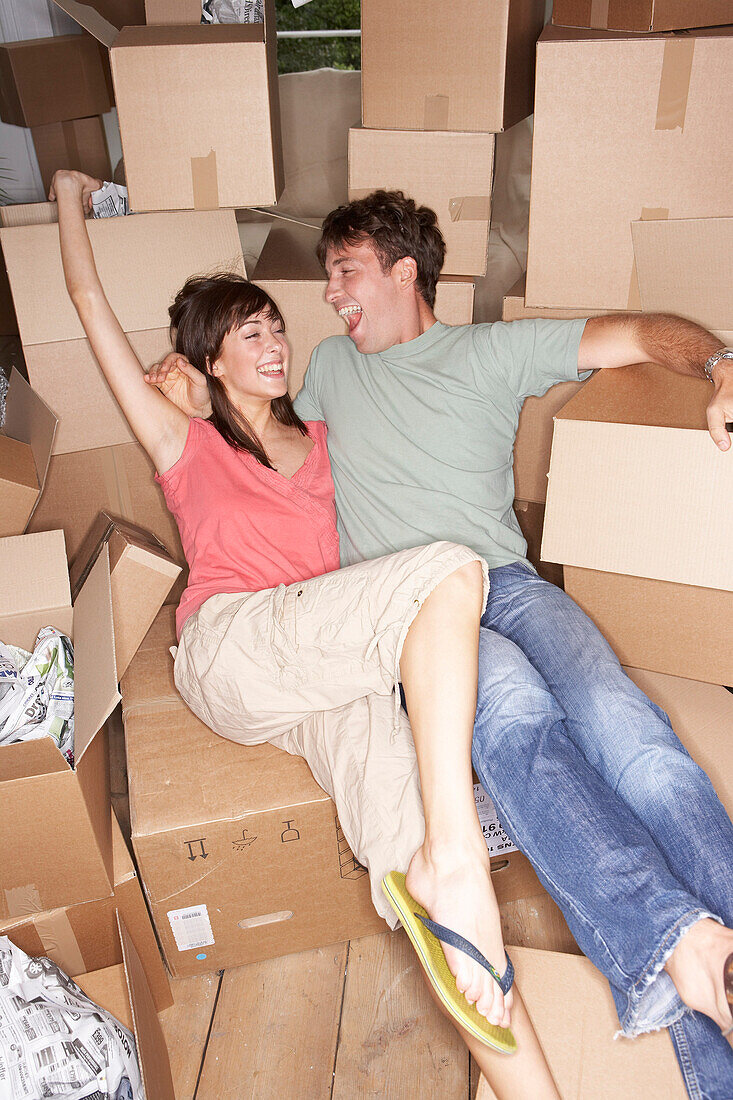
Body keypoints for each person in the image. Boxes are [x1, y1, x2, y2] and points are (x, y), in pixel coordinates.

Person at [151, 190, 733, 1098]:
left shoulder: (490, 351)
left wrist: (721, 363)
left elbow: (638, 333)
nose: (331, 298)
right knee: (517, 729)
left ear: (402, 271)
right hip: (417, 621)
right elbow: (243, 443)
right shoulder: (324, 376)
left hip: (509, 584)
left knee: (630, 732)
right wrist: (193, 393)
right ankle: (678, 943)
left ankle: (720, 956)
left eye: (344, 273)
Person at [51, 170, 568, 1100]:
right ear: (209, 360)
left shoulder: (326, 438)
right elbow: (87, 305)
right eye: (248, 333)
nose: (275, 341)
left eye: (276, 325)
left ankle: (522, 1067)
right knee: (450, 570)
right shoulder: (184, 445)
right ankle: (462, 856)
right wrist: (65, 196)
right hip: (234, 647)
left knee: (420, 877)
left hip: (321, 678)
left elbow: (402, 430)